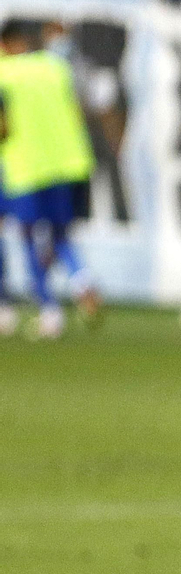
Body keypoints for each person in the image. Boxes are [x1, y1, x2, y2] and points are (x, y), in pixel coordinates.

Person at [0, 19, 100, 340]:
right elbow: (78, 110)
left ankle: (46, 310)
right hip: (68, 163)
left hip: (26, 167)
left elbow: (3, 127)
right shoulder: (55, 68)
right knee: (59, 234)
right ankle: (82, 281)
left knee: (29, 235)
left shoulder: (5, 73)